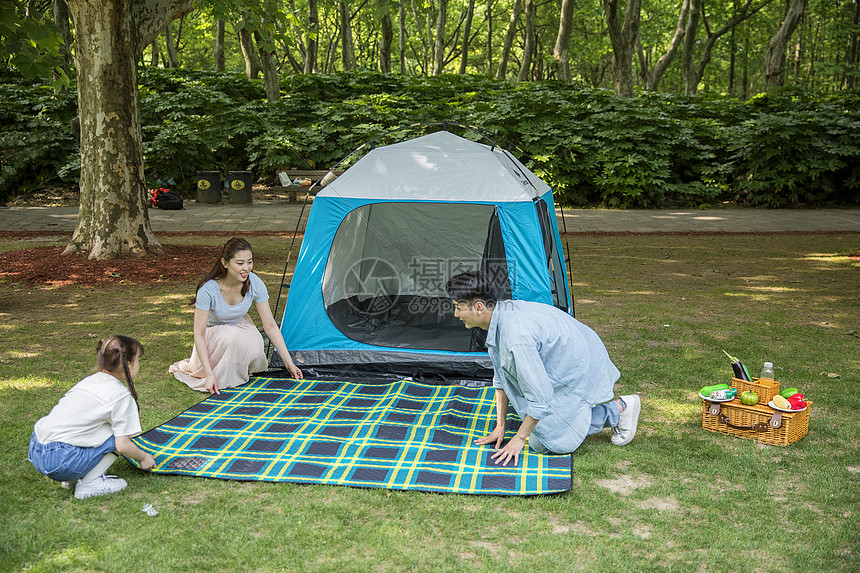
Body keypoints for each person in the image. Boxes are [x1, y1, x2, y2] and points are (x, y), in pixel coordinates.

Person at [445, 271, 641, 467]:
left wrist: (520, 438)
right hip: (571, 352)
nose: (455, 314)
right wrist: (500, 426)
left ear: (479, 307)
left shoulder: (515, 338)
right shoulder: (501, 312)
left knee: (546, 442)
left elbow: (541, 398)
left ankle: (619, 410)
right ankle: (576, 410)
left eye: (458, 308)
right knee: (535, 417)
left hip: (579, 366)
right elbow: (501, 376)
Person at [29, 335, 156, 500]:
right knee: (119, 435)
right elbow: (123, 446)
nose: (139, 365)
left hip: (37, 449)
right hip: (60, 461)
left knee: (99, 427)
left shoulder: (90, 381)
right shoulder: (121, 396)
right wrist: (144, 457)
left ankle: (72, 478)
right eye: (139, 360)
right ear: (129, 364)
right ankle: (89, 483)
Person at [170, 237, 303, 394]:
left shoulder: (255, 284)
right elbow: (198, 334)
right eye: (240, 263)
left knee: (256, 345)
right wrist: (208, 374)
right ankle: (216, 372)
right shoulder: (208, 290)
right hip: (212, 333)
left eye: (250, 262)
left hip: (240, 326)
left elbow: (270, 326)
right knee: (231, 336)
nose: (246, 268)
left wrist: (289, 363)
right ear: (225, 263)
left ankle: (236, 368)